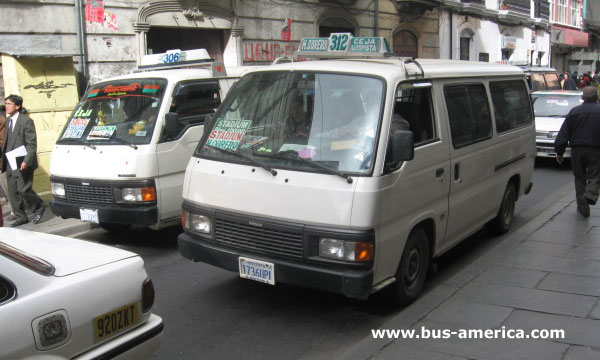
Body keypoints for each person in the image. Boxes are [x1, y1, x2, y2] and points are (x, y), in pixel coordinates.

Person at [554, 86, 600, 218]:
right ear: (597, 97)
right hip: (595, 150)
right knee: (595, 176)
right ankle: (589, 195)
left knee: (579, 178)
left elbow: (564, 133)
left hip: (577, 150)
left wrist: (559, 151)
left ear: (582, 98)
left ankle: (582, 207)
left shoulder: (574, 112)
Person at [1, 95, 45, 226]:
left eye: (9, 104)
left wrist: (27, 160)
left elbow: (31, 144)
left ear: (17, 106)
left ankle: (38, 208)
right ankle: (21, 216)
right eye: (6, 104)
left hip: (22, 161)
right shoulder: (8, 121)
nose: (6, 106)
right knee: (12, 191)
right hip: (9, 161)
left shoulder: (26, 121)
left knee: (23, 189)